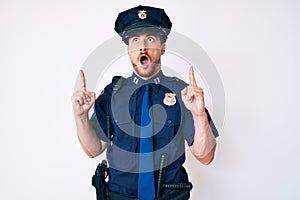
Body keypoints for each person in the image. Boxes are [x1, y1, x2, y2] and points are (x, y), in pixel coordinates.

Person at [72, 5, 218, 200]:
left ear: (162, 47)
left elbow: (206, 156)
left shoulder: (183, 94)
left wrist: (199, 115)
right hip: (119, 196)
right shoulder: (112, 93)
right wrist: (80, 116)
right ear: (129, 50)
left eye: (150, 39)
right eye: (135, 40)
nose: (143, 47)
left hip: (169, 196)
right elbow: (94, 149)